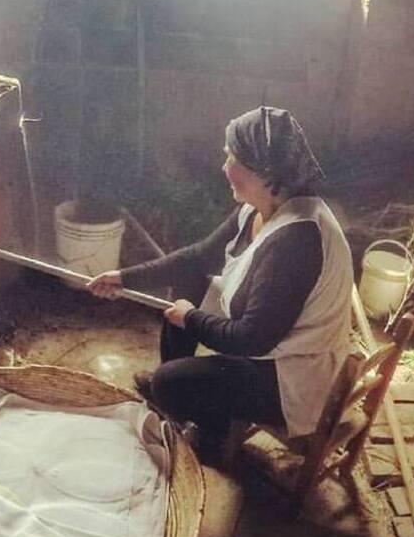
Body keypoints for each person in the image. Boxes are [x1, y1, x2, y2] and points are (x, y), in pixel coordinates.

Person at [87, 106, 353, 462]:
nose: (224, 168)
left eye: (233, 159)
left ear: (265, 172)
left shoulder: (296, 241)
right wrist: (124, 278)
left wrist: (192, 318)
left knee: (168, 383)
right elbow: (198, 256)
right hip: (271, 340)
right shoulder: (263, 207)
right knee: (189, 277)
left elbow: (251, 338)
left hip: (292, 376)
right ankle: (181, 387)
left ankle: (209, 432)